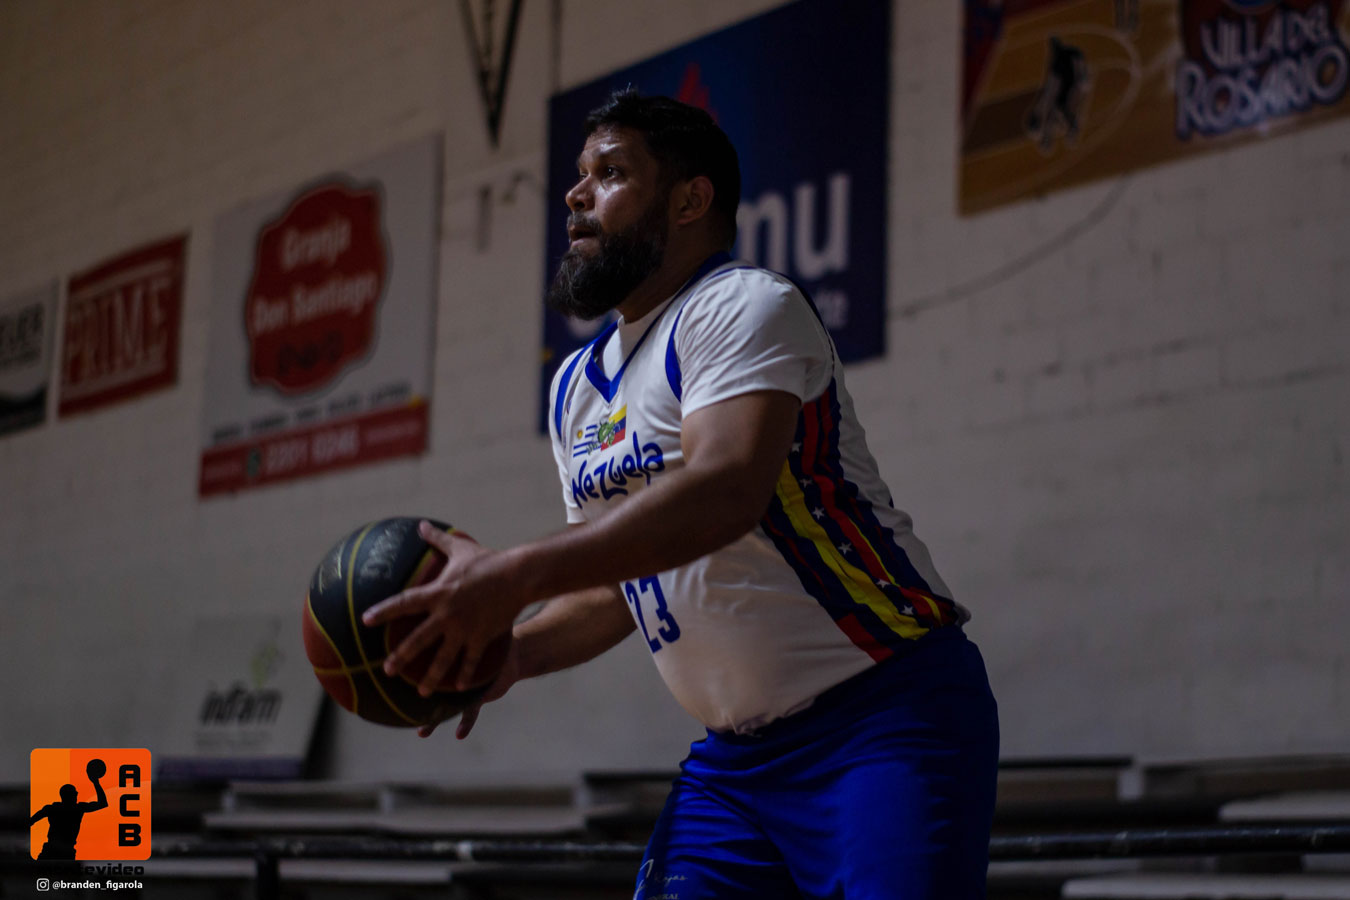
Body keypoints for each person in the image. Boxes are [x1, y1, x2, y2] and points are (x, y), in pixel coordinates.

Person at [366, 89, 999, 899]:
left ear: (691, 199)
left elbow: (724, 490)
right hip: (734, 764)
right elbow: (617, 582)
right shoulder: (574, 387)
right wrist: (516, 653)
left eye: (610, 172)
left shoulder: (743, 305)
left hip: (881, 717)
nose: (576, 194)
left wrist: (513, 574)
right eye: (579, 174)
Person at [30, 769, 107, 860]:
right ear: (70, 795)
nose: (77, 794)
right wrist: (96, 783)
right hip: (61, 851)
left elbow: (31, 821)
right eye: (75, 793)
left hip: (55, 850)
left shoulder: (52, 808)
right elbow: (103, 803)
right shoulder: (78, 808)